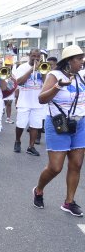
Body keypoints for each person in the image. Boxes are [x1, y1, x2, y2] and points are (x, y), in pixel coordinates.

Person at [33, 45, 85, 216]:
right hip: (59, 124)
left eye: (82, 58)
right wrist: (58, 87)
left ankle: (69, 202)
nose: (82, 62)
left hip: (80, 124)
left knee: (76, 165)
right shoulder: (55, 75)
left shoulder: (81, 77)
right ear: (69, 61)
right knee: (55, 167)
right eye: (78, 59)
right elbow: (42, 99)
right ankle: (39, 190)